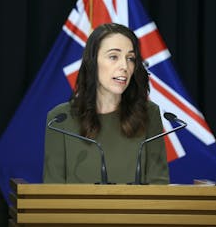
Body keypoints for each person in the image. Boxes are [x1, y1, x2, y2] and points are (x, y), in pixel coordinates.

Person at [43, 23, 169, 185]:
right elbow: (52, 193)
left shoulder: (149, 113)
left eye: (130, 58)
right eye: (113, 57)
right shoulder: (60, 120)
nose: (124, 66)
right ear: (93, 62)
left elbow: (159, 186)